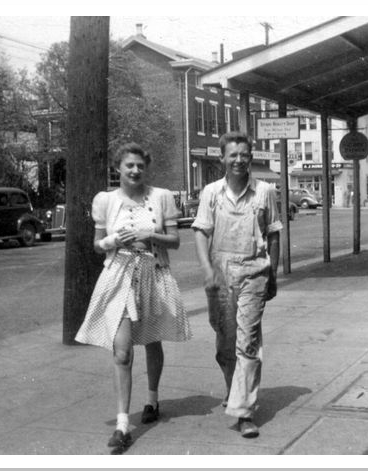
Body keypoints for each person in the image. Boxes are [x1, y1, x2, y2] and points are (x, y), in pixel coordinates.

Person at [75, 143, 192, 450]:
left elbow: (176, 241)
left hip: (152, 274)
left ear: (146, 167)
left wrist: (148, 236)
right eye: (129, 166)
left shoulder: (162, 197)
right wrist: (114, 239)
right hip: (119, 276)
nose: (135, 170)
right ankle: (123, 423)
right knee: (122, 350)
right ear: (119, 168)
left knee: (153, 339)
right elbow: (97, 243)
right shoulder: (106, 200)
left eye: (140, 165)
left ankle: (152, 399)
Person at [192, 131, 282, 439]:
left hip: (254, 271)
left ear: (251, 157)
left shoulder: (265, 191)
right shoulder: (211, 193)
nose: (240, 160)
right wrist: (207, 270)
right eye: (233, 155)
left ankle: (244, 412)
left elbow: (273, 233)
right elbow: (201, 233)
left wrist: (273, 274)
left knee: (248, 342)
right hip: (220, 273)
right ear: (223, 159)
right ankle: (234, 392)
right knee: (224, 343)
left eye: (245, 154)